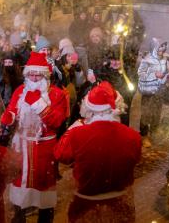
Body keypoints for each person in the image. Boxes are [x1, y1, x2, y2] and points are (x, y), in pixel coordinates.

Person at [54, 82, 141, 223]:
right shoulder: (133, 136)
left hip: (86, 206)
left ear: (88, 107)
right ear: (118, 107)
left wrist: (73, 128)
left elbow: (60, 155)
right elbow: (135, 160)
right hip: (121, 205)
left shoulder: (77, 133)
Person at [0, 52, 68, 223]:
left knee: (44, 187)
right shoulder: (21, 90)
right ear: (27, 74)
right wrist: (9, 117)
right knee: (20, 182)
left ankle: (45, 218)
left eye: (38, 74)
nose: (35, 77)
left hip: (44, 147)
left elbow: (57, 121)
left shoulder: (57, 94)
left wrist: (38, 103)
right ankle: (19, 216)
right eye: (31, 73)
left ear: (45, 74)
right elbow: (13, 109)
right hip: (21, 145)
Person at [137, 38, 169, 147]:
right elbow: (141, 73)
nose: (160, 50)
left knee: (156, 114)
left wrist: (164, 76)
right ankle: (144, 136)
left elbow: (165, 73)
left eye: (162, 47)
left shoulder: (164, 60)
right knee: (145, 113)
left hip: (159, 91)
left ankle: (153, 133)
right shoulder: (147, 59)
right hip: (147, 89)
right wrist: (153, 75)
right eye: (158, 47)